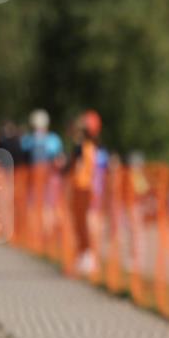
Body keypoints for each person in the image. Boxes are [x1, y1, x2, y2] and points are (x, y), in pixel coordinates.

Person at [67, 109, 105, 276]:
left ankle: (90, 255)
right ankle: (83, 254)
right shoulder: (82, 147)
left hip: (88, 191)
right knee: (80, 223)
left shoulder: (91, 148)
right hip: (80, 189)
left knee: (88, 223)